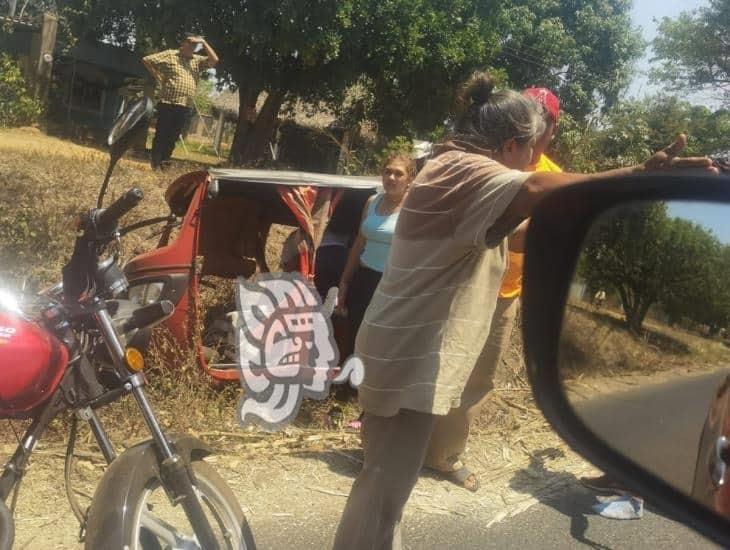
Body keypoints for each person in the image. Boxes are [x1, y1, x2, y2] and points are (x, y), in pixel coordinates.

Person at [332, 72, 717, 550]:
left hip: (407, 350)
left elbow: (511, 234)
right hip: (408, 355)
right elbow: (536, 188)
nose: (536, 157)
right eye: (534, 146)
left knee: (387, 487)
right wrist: (637, 178)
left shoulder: (456, 173)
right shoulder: (463, 170)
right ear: (511, 145)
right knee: (382, 492)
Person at [422, 87, 563, 492]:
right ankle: (409, 443)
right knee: (437, 361)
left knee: (479, 378)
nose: (531, 122)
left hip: (506, 293)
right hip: (462, 283)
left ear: (551, 127)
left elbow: (533, 239)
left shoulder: (553, 175)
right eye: (525, 112)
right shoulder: (490, 160)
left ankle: (444, 455)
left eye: (539, 116)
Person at [335, 153, 417, 341]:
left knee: (382, 341)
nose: (391, 178)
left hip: (393, 285)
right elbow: (359, 243)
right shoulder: (372, 202)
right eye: (387, 172)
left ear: (410, 179)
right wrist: (345, 281)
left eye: (398, 173)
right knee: (355, 334)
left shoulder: (414, 209)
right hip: (363, 279)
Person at [142, 34, 219, 170]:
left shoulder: (197, 61)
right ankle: (155, 164)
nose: (192, 46)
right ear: (183, 43)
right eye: (190, 43)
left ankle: (165, 163)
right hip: (168, 102)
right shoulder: (171, 54)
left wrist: (204, 41)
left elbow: (214, 60)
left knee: (173, 137)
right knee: (161, 134)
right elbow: (147, 60)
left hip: (185, 105)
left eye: (195, 45)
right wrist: (158, 76)